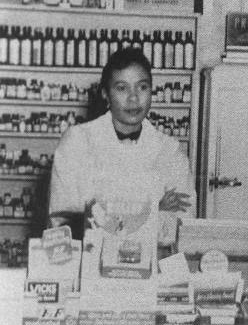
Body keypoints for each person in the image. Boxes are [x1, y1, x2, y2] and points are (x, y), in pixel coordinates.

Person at [48, 48, 195, 239]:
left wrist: (101, 215)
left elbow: (182, 227)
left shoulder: (169, 150)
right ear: (105, 95)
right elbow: (64, 223)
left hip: (153, 265)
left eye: (142, 87)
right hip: (89, 263)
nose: (133, 98)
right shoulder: (77, 142)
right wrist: (155, 212)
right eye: (122, 88)